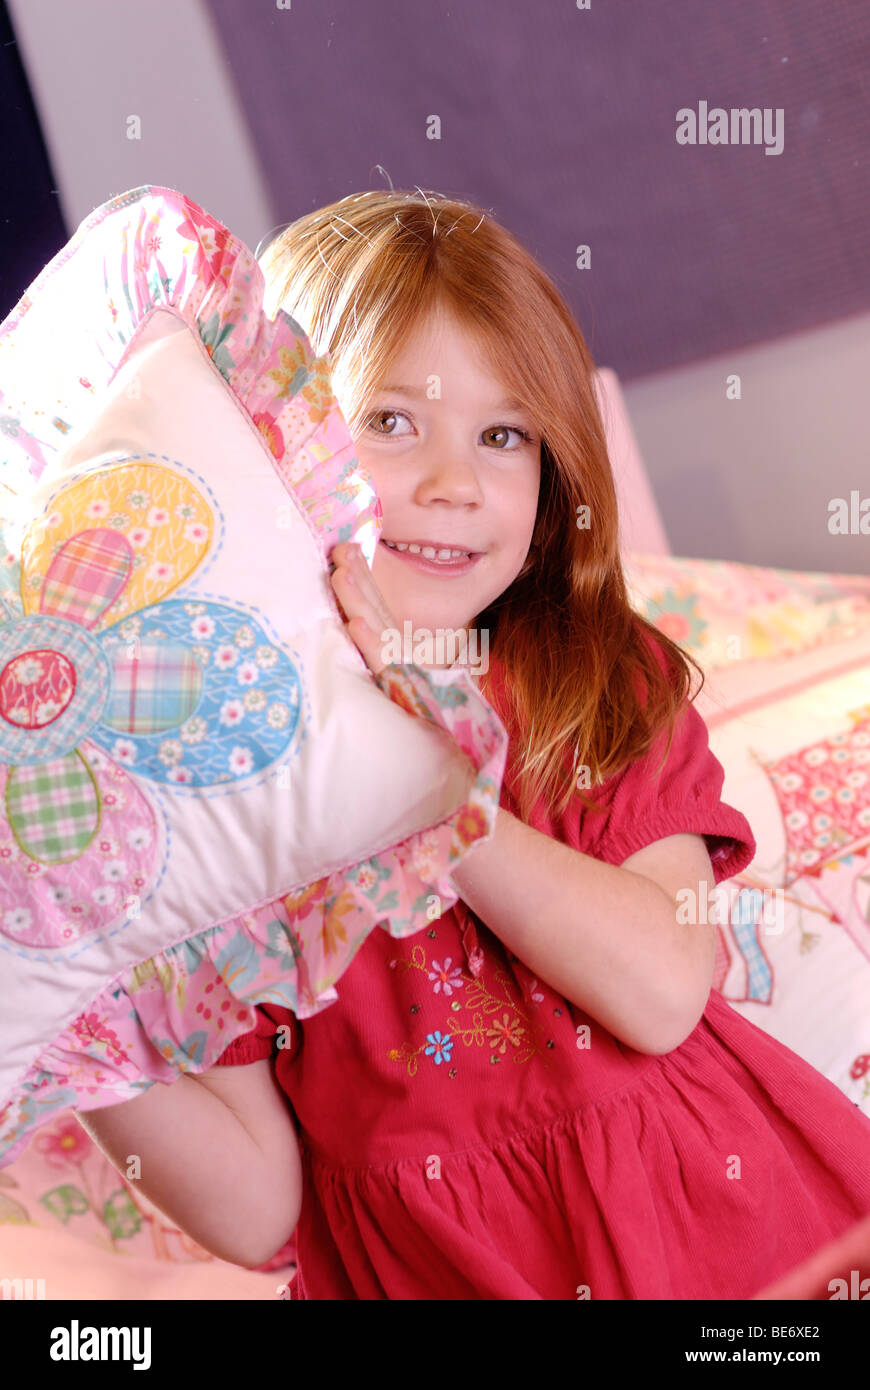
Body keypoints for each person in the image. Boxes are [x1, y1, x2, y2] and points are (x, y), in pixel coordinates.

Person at [81, 188, 870, 1300]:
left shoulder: (588, 678)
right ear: (266, 438)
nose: (454, 482)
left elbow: (656, 989)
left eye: (504, 435)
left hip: (723, 1240)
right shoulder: (208, 789)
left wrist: (434, 791)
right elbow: (264, 1213)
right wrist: (73, 1030)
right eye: (393, 422)